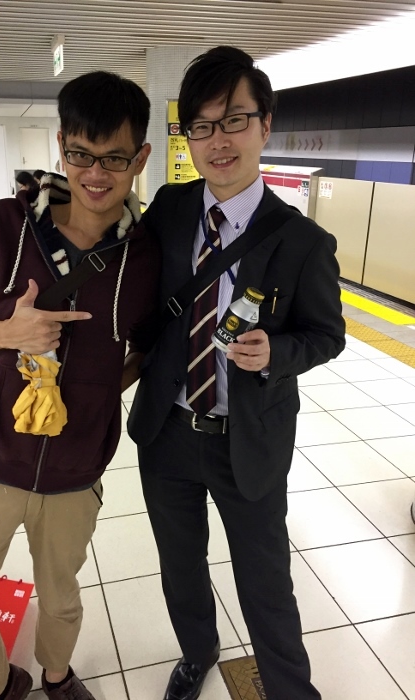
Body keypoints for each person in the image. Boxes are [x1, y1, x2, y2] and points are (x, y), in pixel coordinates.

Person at [0, 71, 157, 700]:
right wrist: (6, 333)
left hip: (75, 469)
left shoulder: (145, 256)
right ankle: (0, 686)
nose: (96, 174)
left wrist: (99, 395)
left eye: (115, 158)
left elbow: (147, 344)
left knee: (61, 597)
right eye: (81, 154)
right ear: (61, 145)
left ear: (141, 157)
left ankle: (57, 675)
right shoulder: (4, 224)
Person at [128, 46, 345, 700]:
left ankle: (289, 689)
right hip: (168, 430)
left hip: (247, 437)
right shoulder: (170, 209)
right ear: (188, 137)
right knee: (180, 563)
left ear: (264, 125)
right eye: (201, 125)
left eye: (234, 120)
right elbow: (117, 266)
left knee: (264, 579)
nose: (217, 141)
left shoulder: (302, 242)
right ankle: (198, 653)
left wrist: (277, 353)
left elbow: (327, 336)